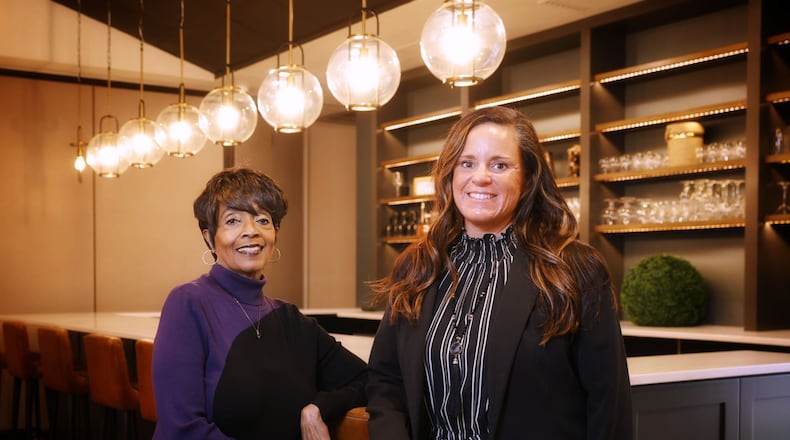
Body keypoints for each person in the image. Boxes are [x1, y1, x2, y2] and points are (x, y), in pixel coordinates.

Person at [366, 106, 632, 440]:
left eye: (500, 165)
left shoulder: (575, 268)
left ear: (528, 178)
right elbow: (386, 380)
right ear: (450, 174)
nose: (480, 177)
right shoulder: (418, 265)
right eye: (467, 163)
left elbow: (609, 405)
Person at [152, 167, 368, 439]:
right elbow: (182, 429)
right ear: (209, 237)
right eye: (233, 221)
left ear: (275, 233)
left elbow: (368, 380)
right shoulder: (188, 303)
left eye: (263, 220)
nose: (251, 231)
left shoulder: (292, 321)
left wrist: (319, 407)